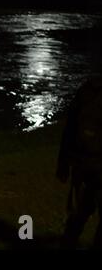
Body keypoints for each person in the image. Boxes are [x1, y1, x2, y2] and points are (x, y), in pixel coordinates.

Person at [57, 76, 102, 249]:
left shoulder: (86, 89)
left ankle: (67, 243)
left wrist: (63, 163)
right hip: (97, 164)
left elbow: (70, 127)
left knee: (80, 213)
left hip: (82, 164)